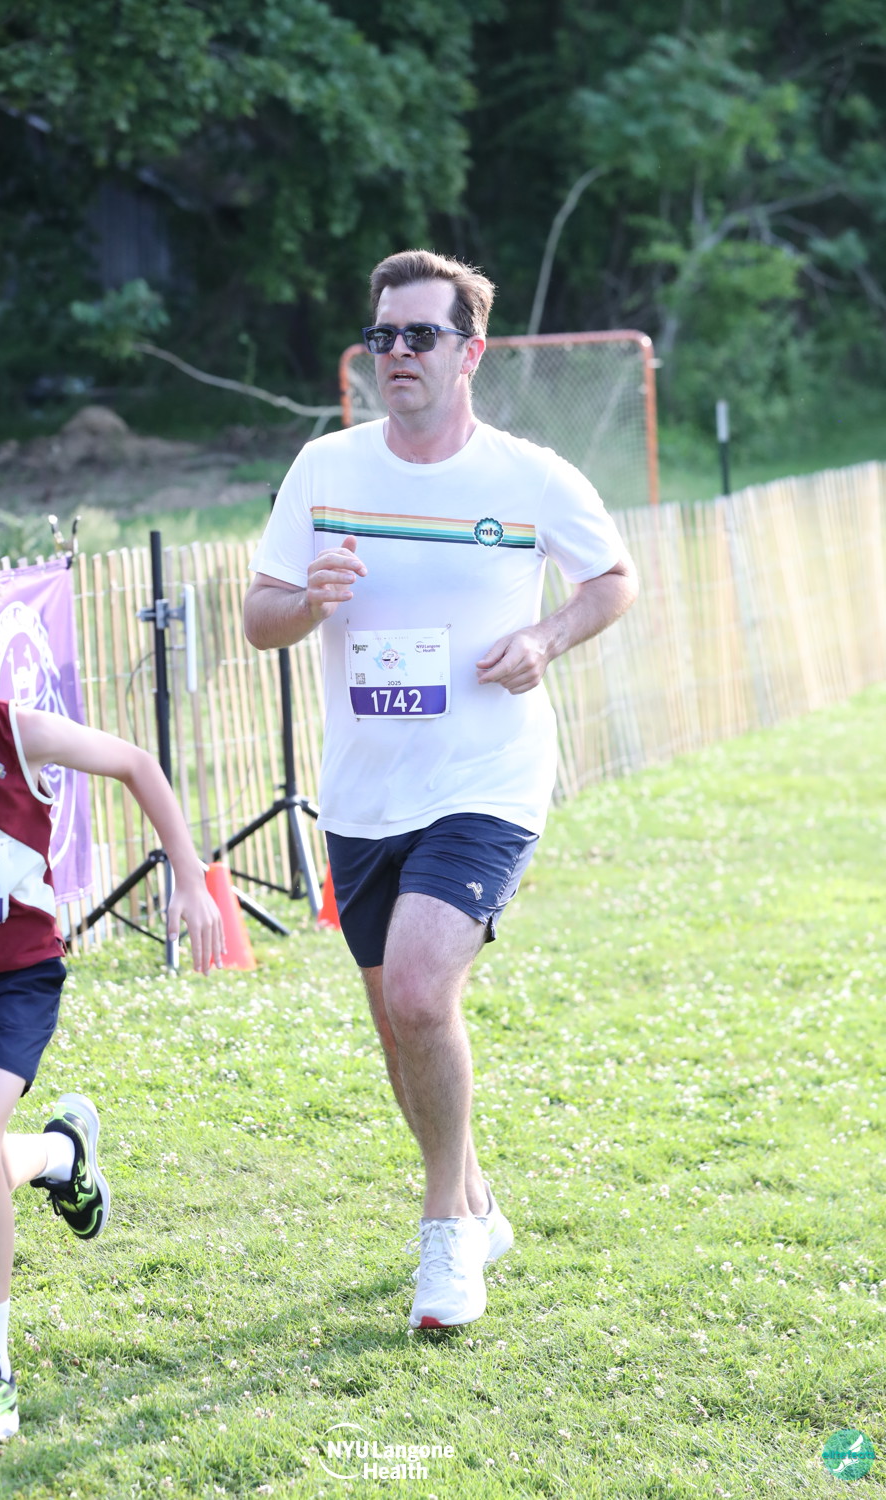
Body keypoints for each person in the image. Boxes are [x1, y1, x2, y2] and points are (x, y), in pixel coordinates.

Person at [243, 248, 638, 1330]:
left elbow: (612, 579)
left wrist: (547, 638)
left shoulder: (529, 477)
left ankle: (446, 1240)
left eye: (421, 335)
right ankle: (477, 1201)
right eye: (383, 336)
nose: (397, 354)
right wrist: (308, 602)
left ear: (470, 353)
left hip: (486, 779)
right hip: (365, 794)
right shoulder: (325, 469)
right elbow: (260, 616)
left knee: (421, 993)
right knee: (398, 1031)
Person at [0, 549, 224, 1445]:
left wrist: (190, 878)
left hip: (18, 976)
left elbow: (137, 763)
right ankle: (63, 1156)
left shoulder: (21, 735)